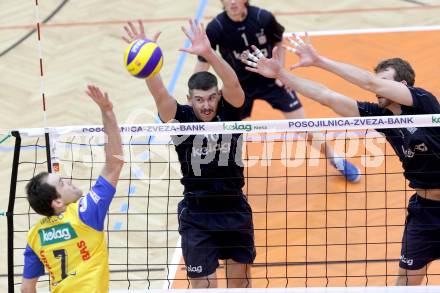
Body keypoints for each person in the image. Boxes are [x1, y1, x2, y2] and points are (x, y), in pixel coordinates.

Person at [242, 33, 440, 286]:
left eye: (385, 82)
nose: (378, 87)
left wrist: (319, 60)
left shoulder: (423, 102)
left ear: (402, 85)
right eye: (378, 80)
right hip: (424, 212)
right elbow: (327, 96)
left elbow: (370, 83)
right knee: (404, 282)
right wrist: (281, 74)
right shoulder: (381, 116)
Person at [122, 19, 255, 288]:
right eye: (199, 99)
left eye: (210, 98)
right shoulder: (181, 117)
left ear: (218, 96)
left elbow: (234, 85)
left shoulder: (230, 113)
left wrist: (209, 54)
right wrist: (148, 61)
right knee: (203, 287)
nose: (206, 105)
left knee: (240, 284)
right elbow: (159, 94)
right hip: (197, 214)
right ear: (189, 98)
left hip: (234, 209)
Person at [194, 0, 360, 182]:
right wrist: (192, 98)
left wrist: (281, 72)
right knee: (226, 132)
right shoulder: (216, 27)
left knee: (304, 127)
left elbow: (279, 42)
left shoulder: (262, 18)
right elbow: (203, 62)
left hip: (271, 81)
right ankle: (220, 176)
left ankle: (336, 160)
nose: (232, 1)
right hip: (238, 87)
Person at [21, 85, 124, 293]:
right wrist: (107, 112)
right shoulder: (84, 213)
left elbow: (26, 289)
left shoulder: (34, 236)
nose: (67, 181)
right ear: (57, 202)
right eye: (61, 183)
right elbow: (114, 163)